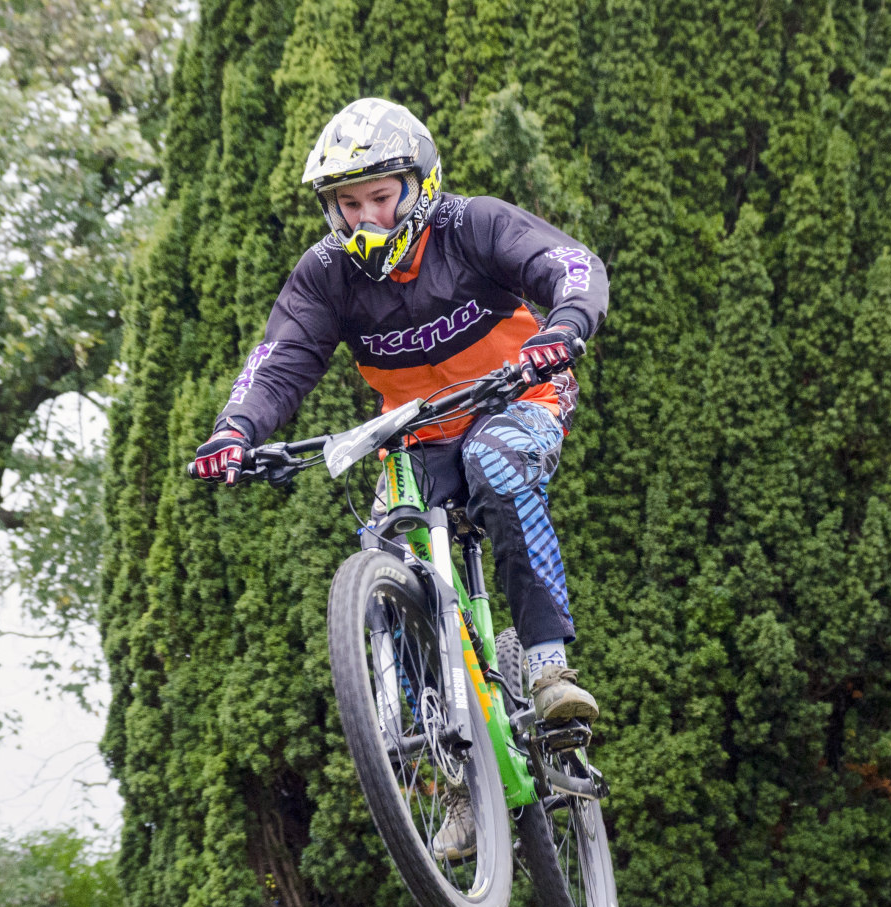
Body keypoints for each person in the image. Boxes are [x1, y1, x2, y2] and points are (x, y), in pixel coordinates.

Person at [190, 98, 609, 861]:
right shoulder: (327, 275)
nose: (364, 219)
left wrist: (565, 324)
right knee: (387, 551)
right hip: (414, 436)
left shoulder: (472, 224)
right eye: (347, 204)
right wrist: (235, 429)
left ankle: (549, 671)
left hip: (518, 398)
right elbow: (280, 357)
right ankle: (456, 777)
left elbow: (569, 265)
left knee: (497, 463)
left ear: (420, 182)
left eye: (379, 197)